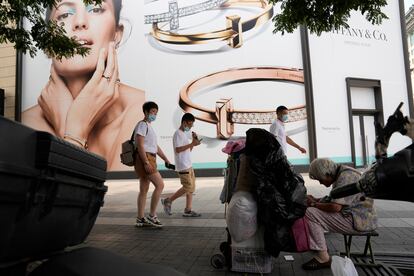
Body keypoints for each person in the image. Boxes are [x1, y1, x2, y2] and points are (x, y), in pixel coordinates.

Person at [22, 0, 145, 171]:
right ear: (48, 43)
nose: (80, 22)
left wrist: (68, 132)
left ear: (117, 34)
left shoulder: (142, 111)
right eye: (64, 14)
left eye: (95, 9)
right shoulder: (26, 125)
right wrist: (73, 132)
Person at [303, 158, 377, 270]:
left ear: (327, 174)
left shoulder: (346, 177)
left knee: (310, 213)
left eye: (320, 179)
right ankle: (320, 247)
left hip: (359, 221)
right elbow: (334, 199)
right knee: (313, 211)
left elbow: (335, 207)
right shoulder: (343, 172)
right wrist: (317, 200)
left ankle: (323, 258)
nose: (321, 183)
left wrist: (313, 204)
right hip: (360, 218)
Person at [134, 102, 171, 228]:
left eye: (156, 112)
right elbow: (140, 145)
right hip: (146, 158)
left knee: (143, 190)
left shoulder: (148, 126)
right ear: (145, 112)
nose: (154, 114)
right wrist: (145, 162)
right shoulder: (142, 125)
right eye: (152, 112)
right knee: (160, 185)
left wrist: (165, 159)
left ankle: (140, 218)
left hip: (149, 157)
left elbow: (155, 147)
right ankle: (152, 215)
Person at [161, 113, 202, 217]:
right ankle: (168, 200)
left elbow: (188, 150)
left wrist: (193, 142)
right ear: (184, 122)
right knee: (187, 187)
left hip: (188, 164)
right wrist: (192, 143)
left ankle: (188, 210)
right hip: (183, 166)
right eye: (189, 124)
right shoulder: (177, 134)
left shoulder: (183, 134)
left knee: (191, 187)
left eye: (192, 124)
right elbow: (178, 150)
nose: (191, 126)